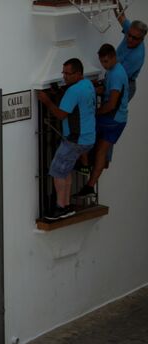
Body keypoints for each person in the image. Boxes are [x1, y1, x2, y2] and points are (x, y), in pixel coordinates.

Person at [37, 58, 96, 221]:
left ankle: (60, 207)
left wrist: (47, 101)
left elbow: (61, 114)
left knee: (57, 170)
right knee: (66, 170)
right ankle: (67, 204)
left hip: (75, 140)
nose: (64, 76)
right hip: (88, 138)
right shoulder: (88, 85)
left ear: (78, 73)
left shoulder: (74, 91)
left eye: (68, 74)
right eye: (63, 72)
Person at [74, 44, 129, 199]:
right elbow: (109, 90)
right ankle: (90, 185)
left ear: (113, 57)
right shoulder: (114, 71)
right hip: (120, 119)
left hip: (111, 118)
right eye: (101, 62)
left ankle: (84, 165)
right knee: (101, 152)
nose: (103, 65)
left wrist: (96, 113)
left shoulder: (116, 74)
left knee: (83, 130)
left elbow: (112, 103)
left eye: (105, 61)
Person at [114, 1, 146, 101]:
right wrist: (114, 1)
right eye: (129, 35)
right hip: (117, 75)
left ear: (141, 39)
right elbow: (121, 15)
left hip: (125, 84)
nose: (130, 39)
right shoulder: (131, 30)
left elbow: (118, 75)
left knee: (113, 113)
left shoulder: (136, 57)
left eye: (135, 38)